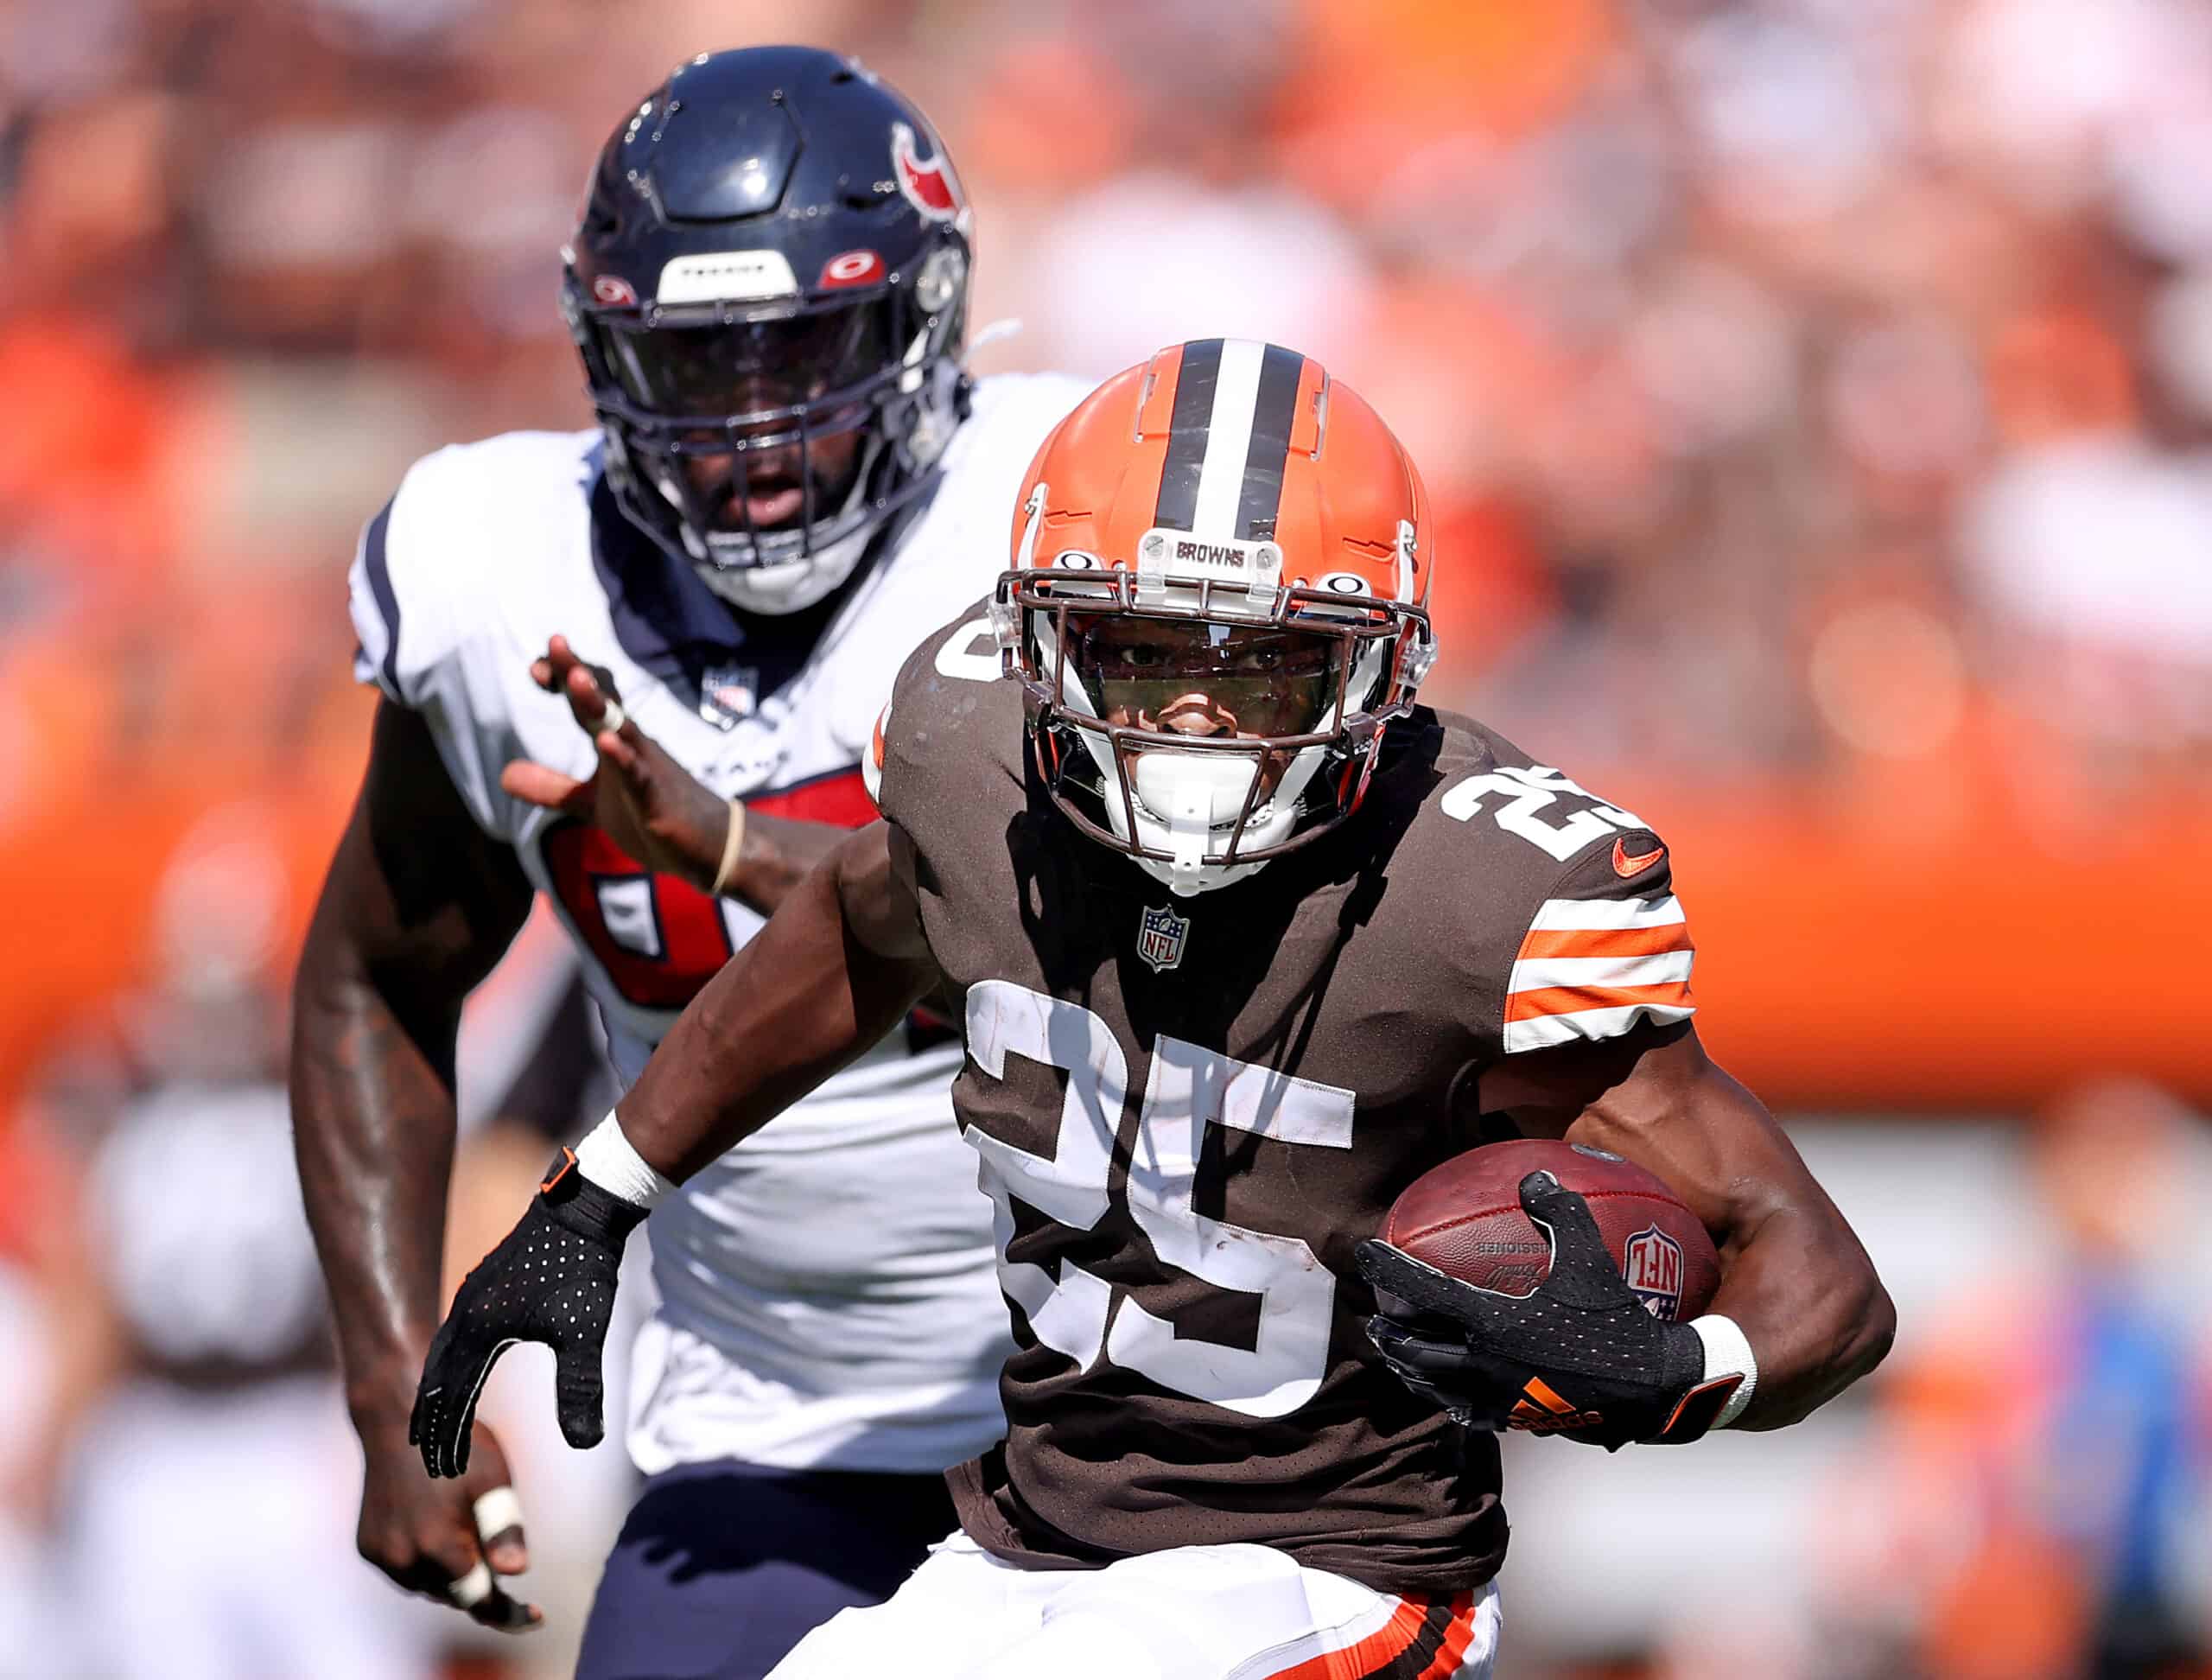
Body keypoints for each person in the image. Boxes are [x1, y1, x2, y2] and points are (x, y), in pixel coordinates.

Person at [410, 340, 1896, 1678]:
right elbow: (865, 930)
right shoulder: (972, 756)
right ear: (1046, 640)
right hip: (1042, 1540)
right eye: (1142, 654)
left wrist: (1680, 1369)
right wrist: (597, 1195)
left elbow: (1824, 1271)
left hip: (1332, 1578)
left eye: (1257, 664)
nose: (1188, 718)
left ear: (1380, 666)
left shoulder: (1476, 894)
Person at [289, 44, 1087, 1678]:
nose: (760, 431)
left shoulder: (1063, 521)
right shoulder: (502, 576)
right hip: (764, 1435)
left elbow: (994, 917)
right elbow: (378, 976)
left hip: (1138, 1419)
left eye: (811, 349)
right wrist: (392, 1396)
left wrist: (720, 847)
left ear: (925, 322)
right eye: (704, 369)